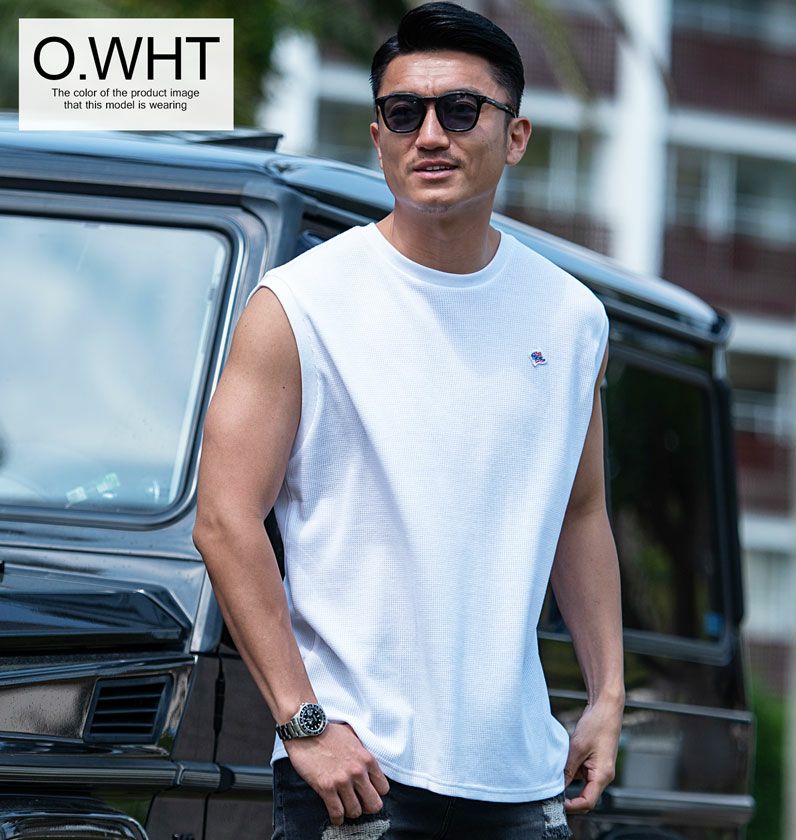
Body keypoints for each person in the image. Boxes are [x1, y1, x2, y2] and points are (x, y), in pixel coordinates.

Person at [193, 3, 624, 838]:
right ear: (379, 134)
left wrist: (607, 695)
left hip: (524, 783)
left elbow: (580, 511)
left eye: (460, 110)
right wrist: (303, 723)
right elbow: (224, 518)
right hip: (360, 780)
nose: (430, 134)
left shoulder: (571, 318)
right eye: (404, 113)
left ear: (516, 136)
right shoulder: (300, 304)